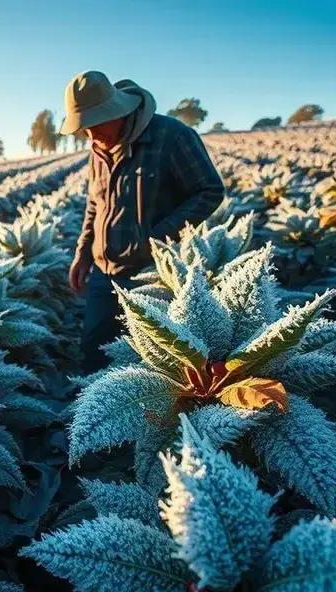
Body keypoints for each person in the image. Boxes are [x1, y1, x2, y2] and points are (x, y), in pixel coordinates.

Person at [62, 70, 224, 372]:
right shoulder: (98, 147)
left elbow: (209, 190)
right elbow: (94, 204)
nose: (90, 135)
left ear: (118, 111)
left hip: (151, 273)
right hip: (104, 269)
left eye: (95, 124)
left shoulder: (171, 136)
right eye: (84, 128)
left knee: (149, 362)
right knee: (94, 355)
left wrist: (157, 239)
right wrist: (82, 252)